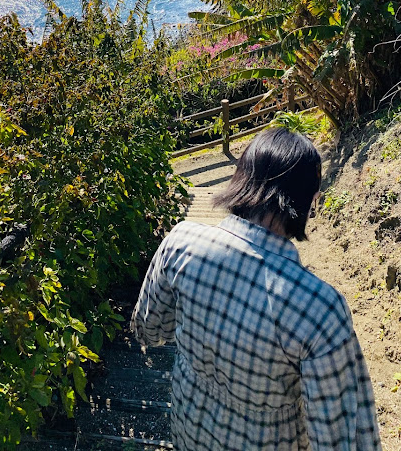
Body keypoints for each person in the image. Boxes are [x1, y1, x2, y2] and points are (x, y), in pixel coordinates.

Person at [131, 127, 381, 451]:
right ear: (307, 201)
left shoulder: (181, 243)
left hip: (188, 427)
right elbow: (338, 439)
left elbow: (149, 331)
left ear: (240, 179)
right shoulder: (319, 309)